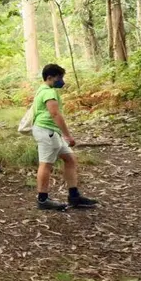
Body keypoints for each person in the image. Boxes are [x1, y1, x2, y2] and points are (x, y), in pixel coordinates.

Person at [32, 64, 98, 211]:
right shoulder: (48, 92)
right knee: (46, 164)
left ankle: (74, 197)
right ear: (50, 77)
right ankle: (42, 200)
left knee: (70, 159)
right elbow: (55, 114)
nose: (62, 80)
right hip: (47, 131)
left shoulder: (43, 90)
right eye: (60, 77)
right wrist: (67, 135)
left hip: (51, 132)